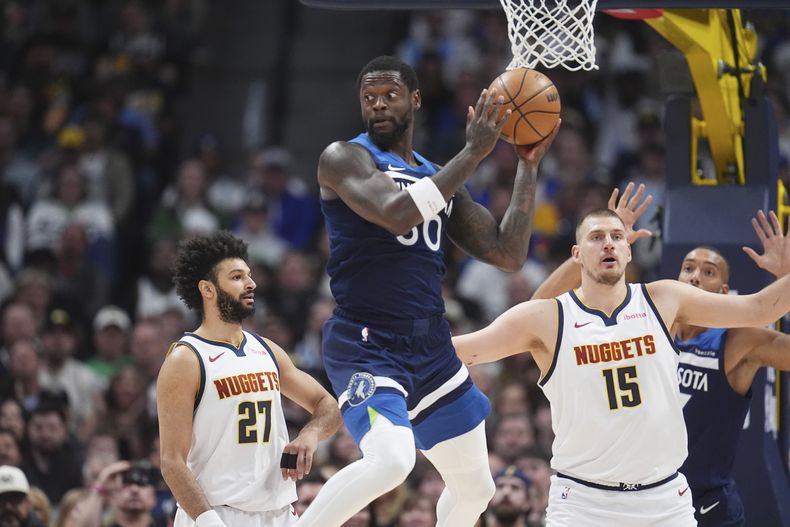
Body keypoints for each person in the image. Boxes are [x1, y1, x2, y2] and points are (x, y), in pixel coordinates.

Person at [295, 55, 558, 527]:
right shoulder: (343, 158)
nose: (378, 105)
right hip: (367, 343)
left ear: (415, 100)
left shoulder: (439, 175)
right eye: (369, 97)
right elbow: (397, 214)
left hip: (431, 346)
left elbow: (507, 253)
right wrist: (473, 154)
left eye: (390, 95)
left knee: (477, 490)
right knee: (392, 462)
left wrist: (527, 165)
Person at [452, 205, 790, 526]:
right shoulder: (548, 317)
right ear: (576, 254)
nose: (608, 243)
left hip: (663, 498)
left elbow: (761, 309)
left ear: (628, 251)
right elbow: (461, 351)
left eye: (616, 236)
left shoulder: (664, 299)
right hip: (584, 501)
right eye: (596, 237)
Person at [157, 231, 342, 527]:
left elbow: (327, 405)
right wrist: (209, 522)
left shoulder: (266, 349)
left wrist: (311, 434)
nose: (251, 283)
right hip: (217, 513)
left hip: (279, 513)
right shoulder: (186, 359)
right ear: (207, 289)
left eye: (249, 275)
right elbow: (171, 462)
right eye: (237, 277)